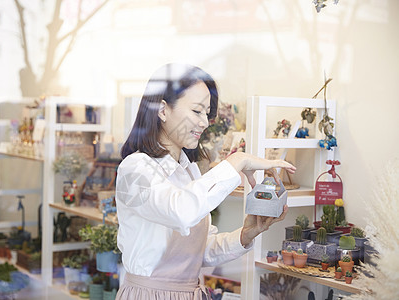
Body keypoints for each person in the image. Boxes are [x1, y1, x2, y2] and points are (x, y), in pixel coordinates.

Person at [115, 63, 296, 300]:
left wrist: (245, 234)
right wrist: (237, 160)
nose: (204, 123)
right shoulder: (135, 169)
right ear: (162, 110)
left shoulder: (188, 171)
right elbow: (180, 211)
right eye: (197, 111)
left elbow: (201, 251)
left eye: (206, 114)